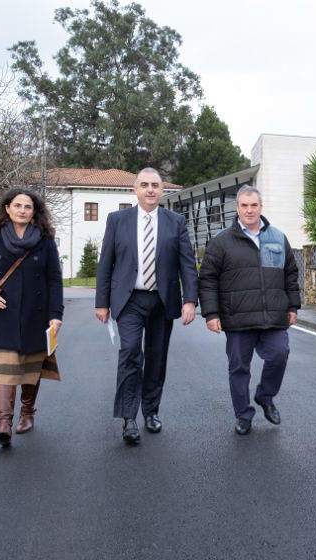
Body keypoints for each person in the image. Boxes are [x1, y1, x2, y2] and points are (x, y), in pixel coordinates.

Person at [95, 167, 198, 444]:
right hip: (129, 300)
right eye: (144, 185)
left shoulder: (176, 222)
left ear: (162, 190)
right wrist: (101, 302)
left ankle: (151, 411)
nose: (150, 189)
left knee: (156, 356)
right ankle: (129, 418)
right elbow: (106, 263)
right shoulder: (118, 220)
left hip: (162, 299)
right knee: (130, 352)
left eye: (155, 185)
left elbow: (187, 264)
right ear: (135, 189)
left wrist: (190, 300)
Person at [198, 186, 301, 435]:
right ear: (237, 209)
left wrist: (293, 306)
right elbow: (208, 279)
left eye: (253, 205)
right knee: (239, 368)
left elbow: (290, 274)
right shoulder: (221, 241)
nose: (249, 210)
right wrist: (211, 314)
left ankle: (265, 396)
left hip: (273, 315)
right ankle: (243, 414)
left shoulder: (277, 237)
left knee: (279, 353)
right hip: (237, 318)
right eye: (244, 206)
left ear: (261, 207)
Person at [0, 187, 64, 446]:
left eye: (28, 207)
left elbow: (54, 280)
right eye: (17, 205)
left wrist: (56, 315)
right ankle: (4, 423)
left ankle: (27, 412)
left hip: (37, 314)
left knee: (30, 368)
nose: (22, 210)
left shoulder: (45, 241)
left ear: (35, 213)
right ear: (7, 209)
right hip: (3, 313)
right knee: (4, 367)